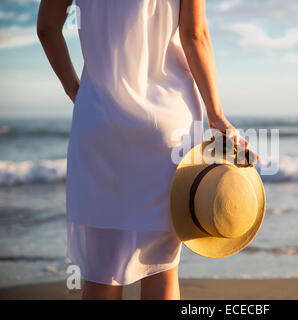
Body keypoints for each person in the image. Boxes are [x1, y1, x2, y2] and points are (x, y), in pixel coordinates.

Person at [37, 0, 246, 300]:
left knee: (102, 271)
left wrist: (74, 89)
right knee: (161, 267)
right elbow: (194, 35)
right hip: (168, 126)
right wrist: (217, 116)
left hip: (100, 121)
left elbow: (47, 28)